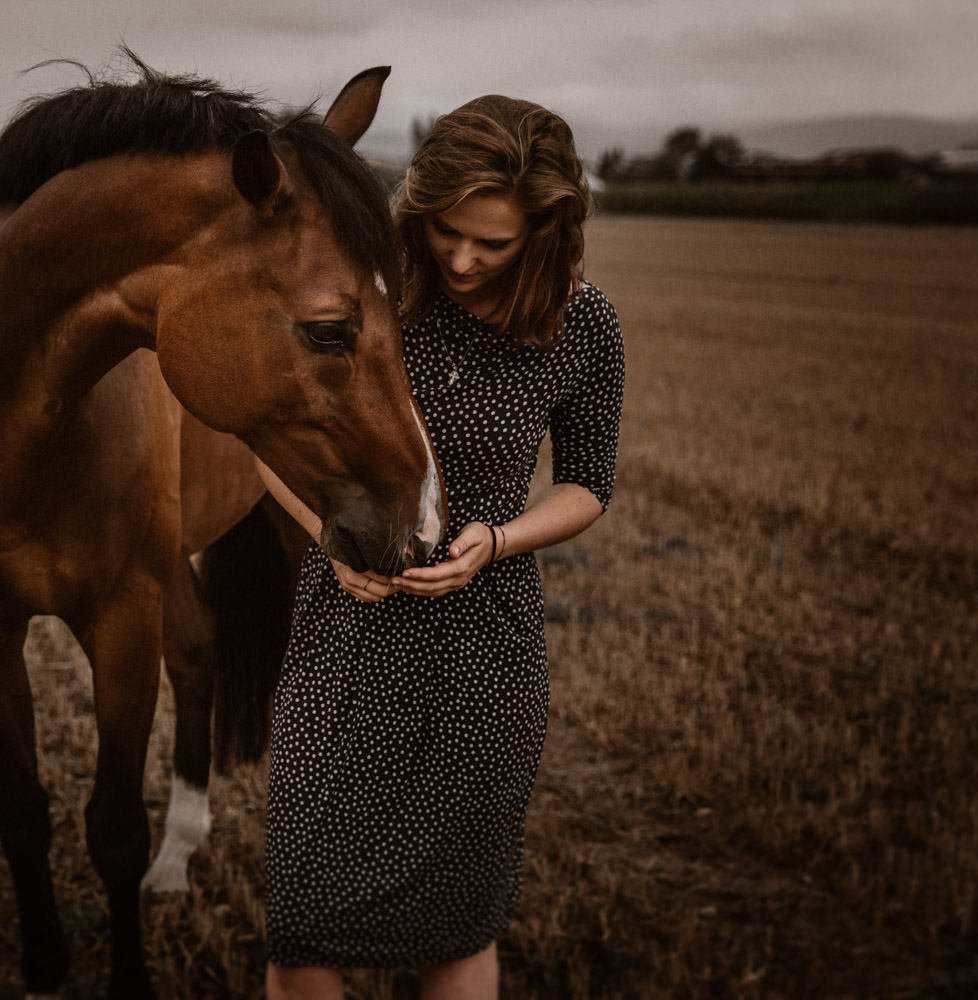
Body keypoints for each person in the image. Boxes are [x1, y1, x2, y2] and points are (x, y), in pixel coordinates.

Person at [257, 94, 626, 999]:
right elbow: (265, 437)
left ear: (546, 232)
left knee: (458, 929)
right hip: (343, 636)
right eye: (447, 232)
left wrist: (496, 541)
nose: (461, 258)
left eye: (492, 244)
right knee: (303, 928)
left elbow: (587, 487)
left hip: (484, 655)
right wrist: (330, 542)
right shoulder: (359, 290)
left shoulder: (585, 328)